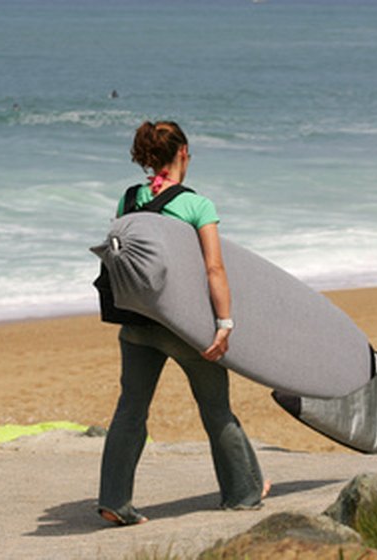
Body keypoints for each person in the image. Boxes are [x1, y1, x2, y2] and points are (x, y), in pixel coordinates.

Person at [98, 121, 269, 526]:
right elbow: (213, 268)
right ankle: (243, 494)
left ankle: (113, 501)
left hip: (138, 325)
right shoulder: (197, 205)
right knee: (216, 410)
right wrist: (224, 323)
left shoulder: (127, 201)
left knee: (130, 410)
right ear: (183, 154)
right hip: (186, 330)